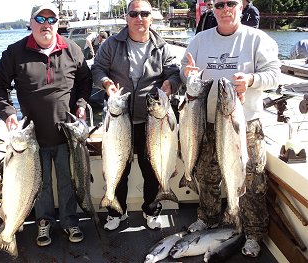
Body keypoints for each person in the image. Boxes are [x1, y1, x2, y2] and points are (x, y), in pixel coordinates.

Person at [0, 3, 93, 247]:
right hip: (32, 138)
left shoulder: (73, 49)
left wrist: (81, 102)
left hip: (67, 134)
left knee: (68, 181)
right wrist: (7, 112)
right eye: (40, 19)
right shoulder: (15, 52)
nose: (46, 24)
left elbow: (86, 80)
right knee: (39, 183)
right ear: (31, 22)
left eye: (51, 19)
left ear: (58, 23)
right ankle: (43, 222)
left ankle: (69, 221)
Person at [180, 0, 280, 258]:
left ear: (242, 6)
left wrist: (251, 80)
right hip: (206, 123)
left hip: (244, 127)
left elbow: (274, 75)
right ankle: (208, 218)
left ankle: (253, 232)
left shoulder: (257, 39)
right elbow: (185, 71)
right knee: (207, 176)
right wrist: (187, 74)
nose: (226, 9)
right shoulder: (200, 40)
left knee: (251, 181)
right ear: (212, 8)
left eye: (231, 3)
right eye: (219, 4)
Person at [91, 0, 181, 231]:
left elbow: (174, 72)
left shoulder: (162, 47)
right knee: (117, 167)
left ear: (152, 17)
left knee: (151, 168)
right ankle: (115, 212)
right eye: (134, 13)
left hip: (151, 121)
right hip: (118, 121)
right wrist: (106, 83)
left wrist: (171, 83)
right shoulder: (111, 44)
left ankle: (152, 210)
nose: (139, 18)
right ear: (127, 17)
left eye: (144, 14)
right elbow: (97, 68)